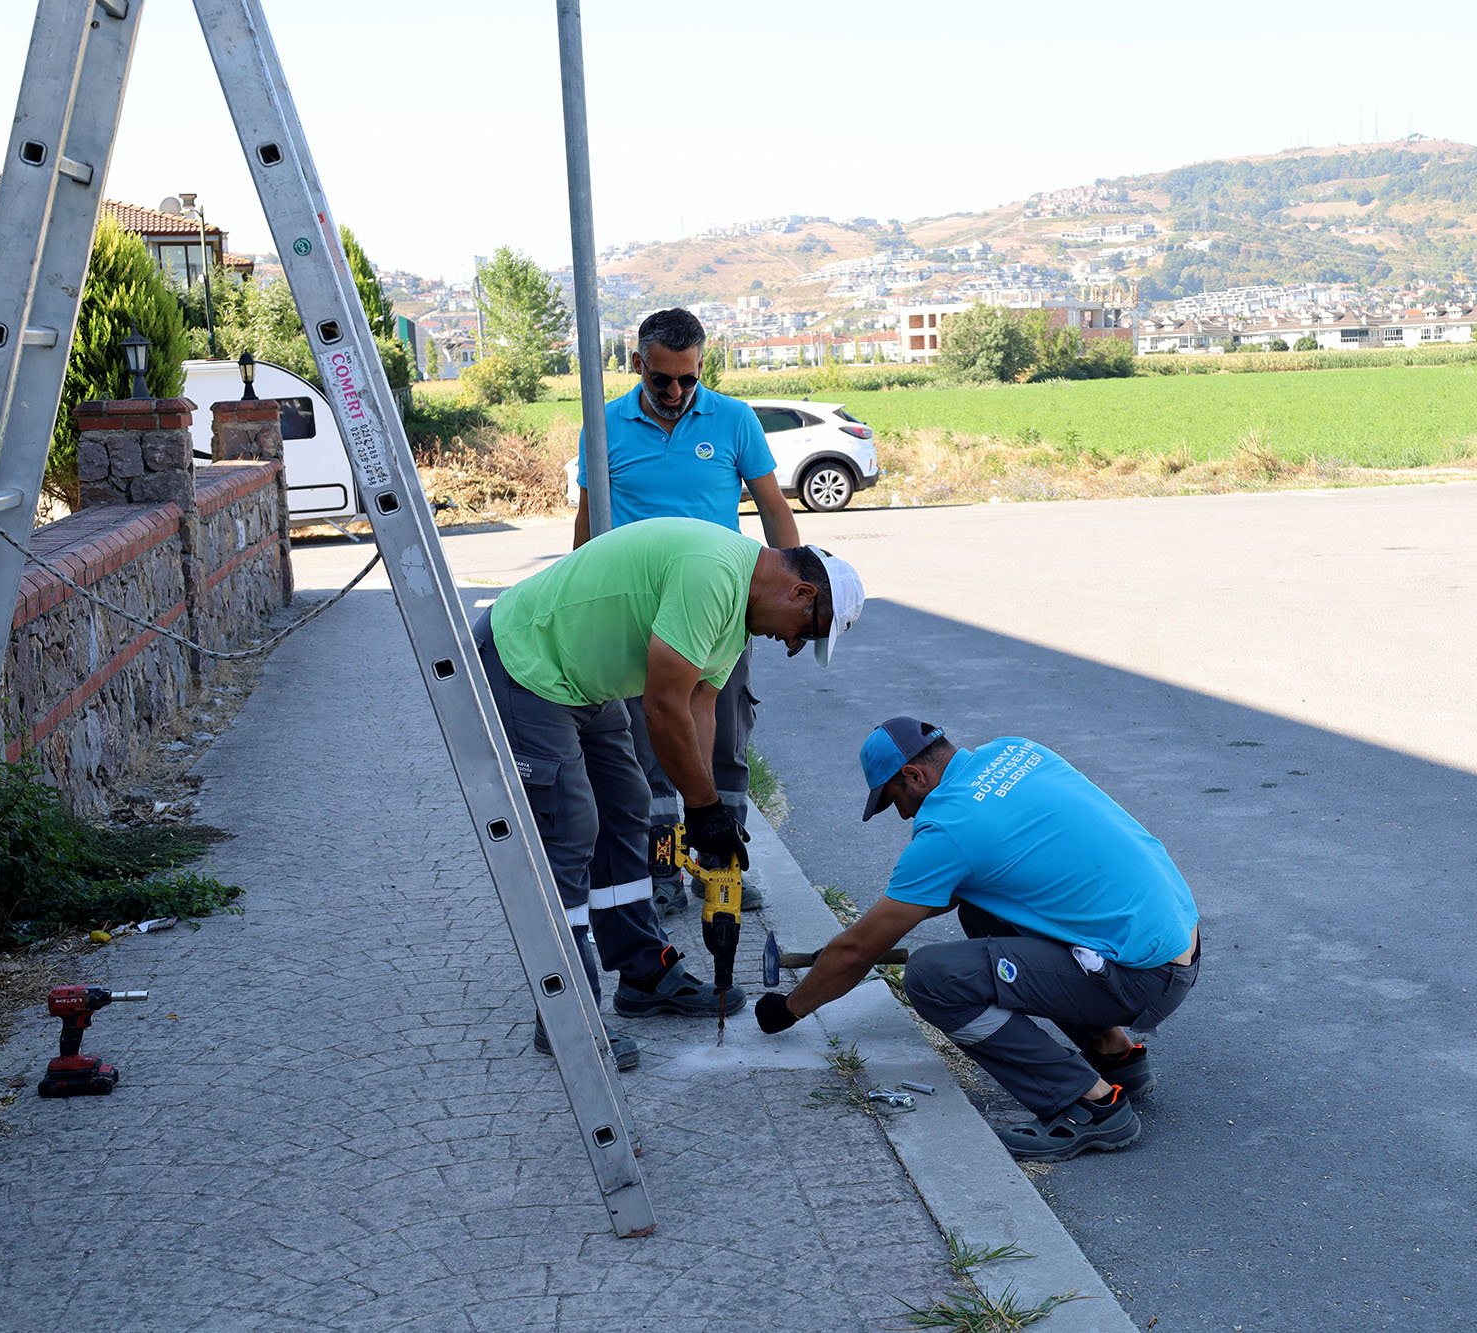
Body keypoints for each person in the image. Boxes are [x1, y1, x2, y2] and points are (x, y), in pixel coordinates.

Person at [475, 516, 863, 1062]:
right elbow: (662, 706)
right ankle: (566, 1016)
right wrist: (702, 807)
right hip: (526, 662)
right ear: (802, 592)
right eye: (806, 632)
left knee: (627, 810)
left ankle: (643, 974)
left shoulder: (736, 615)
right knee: (570, 830)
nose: (792, 643)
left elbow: (699, 706)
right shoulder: (712, 574)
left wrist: (706, 812)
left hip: (582, 682)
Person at [756, 718, 1201, 1162]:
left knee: (933, 979)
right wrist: (880, 930)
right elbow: (961, 888)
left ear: (914, 775)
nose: (903, 814)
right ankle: (1116, 1055)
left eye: (894, 799)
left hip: (1141, 977)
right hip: (1180, 943)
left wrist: (789, 1009)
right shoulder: (1016, 751)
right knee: (981, 910)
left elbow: (857, 951)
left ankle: (1090, 1105)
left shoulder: (950, 830)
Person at [575, 307, 798, 918]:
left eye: (688, 378)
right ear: (637, 364)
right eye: (661, 379)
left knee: (724, 739)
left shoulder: (734, 419)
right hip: (637, 615)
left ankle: (720, 869)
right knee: (647, 746)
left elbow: (773, 508)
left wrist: (793, 585)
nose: (675, 392)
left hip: (721, 610)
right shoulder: (604, 426)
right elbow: (588, 523)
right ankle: (663, 871)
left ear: (702, 366)